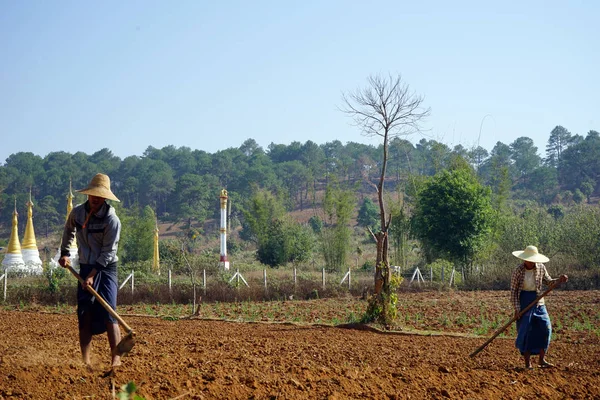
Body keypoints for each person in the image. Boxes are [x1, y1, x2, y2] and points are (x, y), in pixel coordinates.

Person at [59, 173, 122, 368]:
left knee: (109, 311)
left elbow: (108, 252)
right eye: (93, 195)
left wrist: (93, 276)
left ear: (105, 198)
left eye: (99, 196)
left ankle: (116, 360)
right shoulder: (77, 213)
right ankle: (85, 361)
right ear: (88, 195)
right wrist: (65, 253)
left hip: (106, 267)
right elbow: (68, 231)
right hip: (85, 265)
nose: (95, 199)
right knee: (84, 313)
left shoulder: (112, 220)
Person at [510, 245, 568, 370]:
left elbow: (549, 281)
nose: (530, 262)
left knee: (545, 327)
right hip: (524, 301)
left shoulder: (541, 267)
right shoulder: (518, 271)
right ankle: (527, 363)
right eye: (528, 259)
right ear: (524, 259)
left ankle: (541, 360)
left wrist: (559, 280)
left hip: (538, 301)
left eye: (532, 259)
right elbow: (514, 291)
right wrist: (517, 309)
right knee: (526, 332)